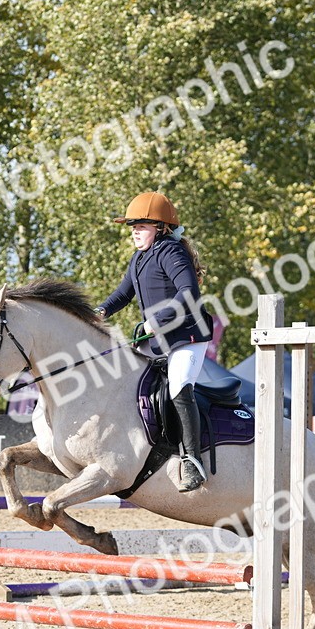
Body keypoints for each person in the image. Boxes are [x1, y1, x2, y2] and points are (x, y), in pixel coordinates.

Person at [94, 191, 212, 491]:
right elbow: (122, 294)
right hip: (158, 338)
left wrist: (155, 320)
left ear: (161, 228)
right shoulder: (139, 258)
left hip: (187, 336)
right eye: (132, 226)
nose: (134, 230)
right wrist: (98, 312)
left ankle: (192, 461)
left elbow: (189, 294)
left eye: (142, 225)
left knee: (178, 387)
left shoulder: (172, 253)